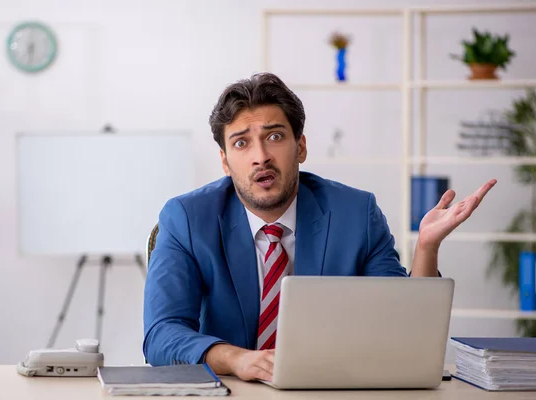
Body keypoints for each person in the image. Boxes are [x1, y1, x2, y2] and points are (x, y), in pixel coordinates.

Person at [143, 72, 496, 382]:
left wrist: (426, 248)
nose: (260, 156)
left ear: (301, 147)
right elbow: (161, 335)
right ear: (224, 161)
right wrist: (236, 359)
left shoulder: (356, 213)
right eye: (241, 142)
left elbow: (404, 331)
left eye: (275, 136)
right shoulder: (186, 218)